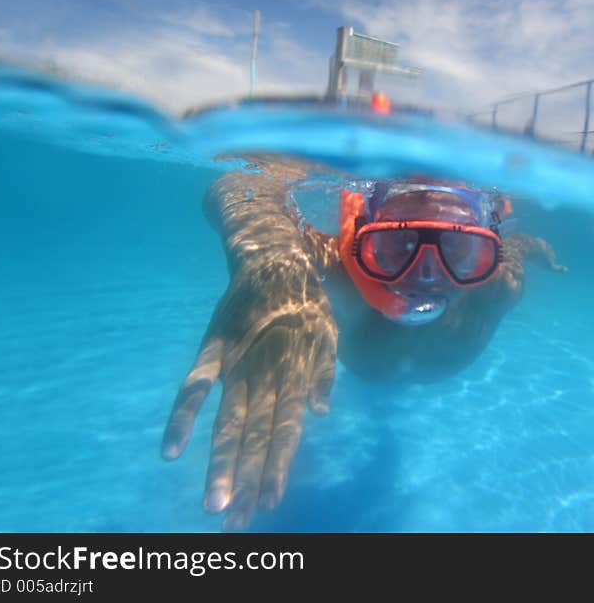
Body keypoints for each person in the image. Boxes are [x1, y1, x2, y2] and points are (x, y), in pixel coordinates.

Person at [161, 156, 566, 531]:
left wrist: (543, 253)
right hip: (379, 370)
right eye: (395, 246)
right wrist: (272, 260)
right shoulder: (338, 269)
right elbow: (237, 183)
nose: (426, 276)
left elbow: (521, 245)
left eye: (459, 251)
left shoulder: (499, 285)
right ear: (360, 242)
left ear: (485, 252)